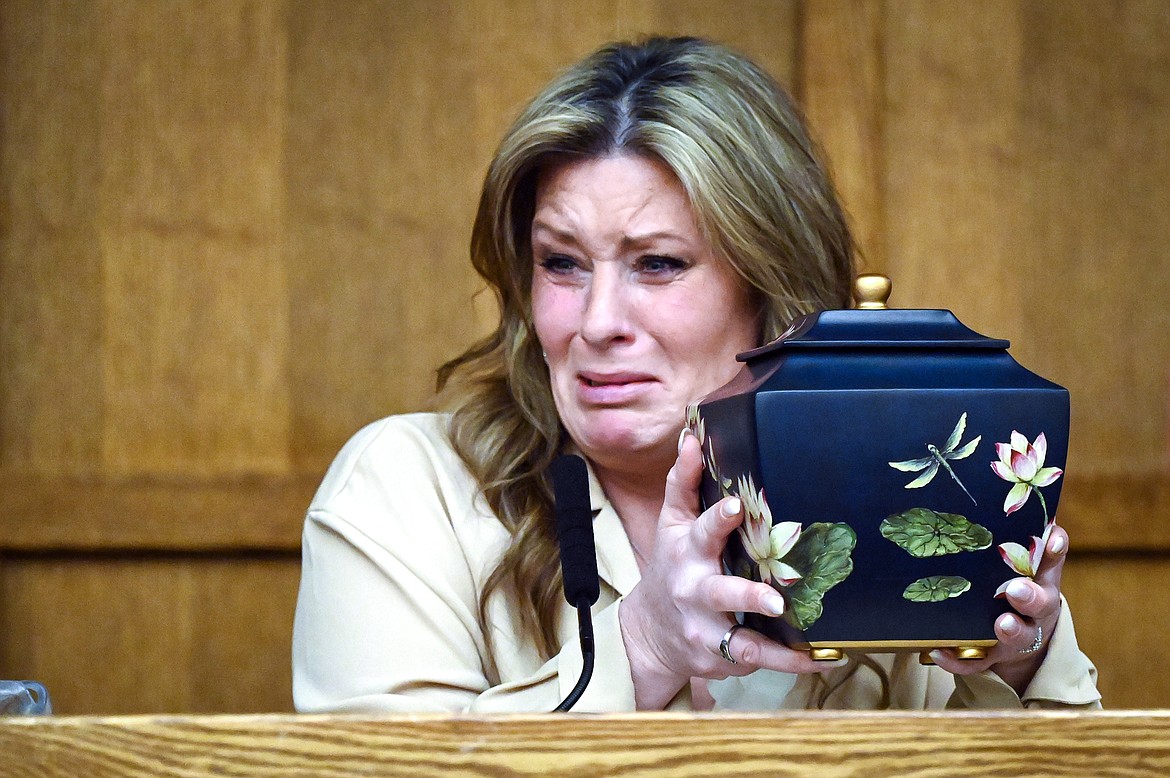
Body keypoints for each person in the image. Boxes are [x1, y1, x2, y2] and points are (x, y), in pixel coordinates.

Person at [292, 36, 1100, 713]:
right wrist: (641, 646)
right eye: (562, 263)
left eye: (658, 264)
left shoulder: (893, 490)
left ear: (769, 288)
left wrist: (1018, 663)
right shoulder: (403, 488)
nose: (598, 321)